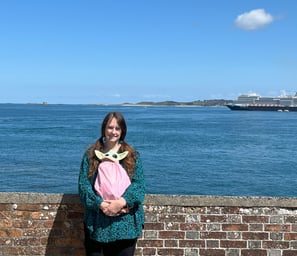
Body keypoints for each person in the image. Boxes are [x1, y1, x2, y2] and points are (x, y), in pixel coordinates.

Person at [78, 112, 145, 256]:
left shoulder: (132, 155)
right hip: (97, 223)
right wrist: (101, 204)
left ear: (122, 131)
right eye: (110, 127)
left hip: (125, 224)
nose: (113, 132)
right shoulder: (91, 155)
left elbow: (139, 185)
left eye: (117, 128)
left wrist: (120, 202)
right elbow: (84, 186)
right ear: (104, 129)